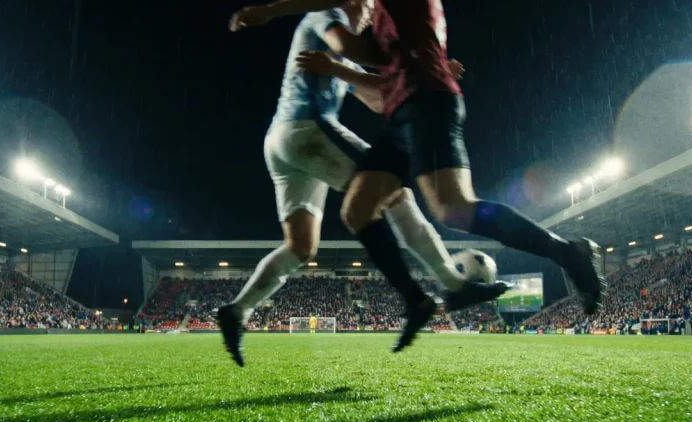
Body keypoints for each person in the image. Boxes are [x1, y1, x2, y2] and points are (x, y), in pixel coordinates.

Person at [230, 0, 604, 353]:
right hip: (393, 106)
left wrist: (282, 21)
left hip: (425, 97)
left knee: (446, 208)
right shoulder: (340, 19)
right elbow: (378, 72)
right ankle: (421, 298)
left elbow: (375, 64)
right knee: (364, 209)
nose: (369, 14)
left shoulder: (347, 30)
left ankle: (564, 253)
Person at [219, 0, 506, 366]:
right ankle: (452, 284)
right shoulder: (328, 17)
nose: (371, 15)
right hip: (307, 128)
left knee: (301, 247)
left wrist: (426, 74)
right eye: (368, 7)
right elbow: (351, 52)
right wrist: (420, 66)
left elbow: (378, 97)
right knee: (394, 190)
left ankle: (236, 311)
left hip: (283, 143)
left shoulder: (339, 49)